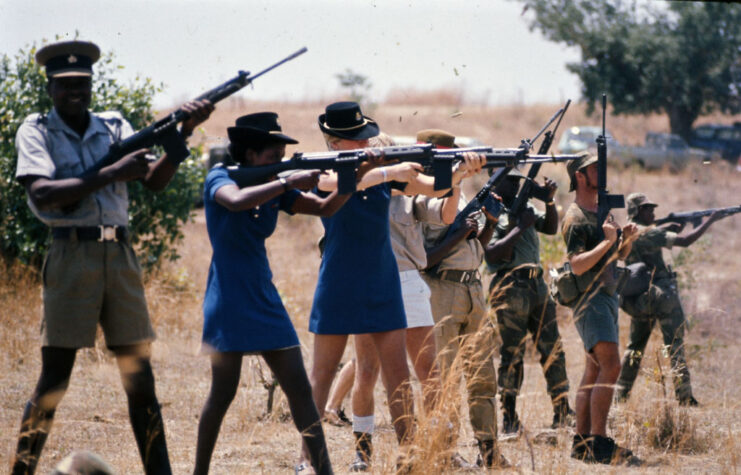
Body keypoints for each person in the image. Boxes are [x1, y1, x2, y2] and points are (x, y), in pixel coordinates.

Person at [11, 40, 214, 475]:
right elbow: (42, 193)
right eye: (65, 85)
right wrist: (110, 173)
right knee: (55, 380)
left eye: (82, 84)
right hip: (71, 254)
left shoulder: (114, 125)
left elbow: (155, 181)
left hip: (119, 255)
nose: (75, 92)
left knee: (141, 382)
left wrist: (183, 135)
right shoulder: (36, 130)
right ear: (49, 88)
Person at [299, 102, 465, 473]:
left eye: (364, 139)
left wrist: (458, 173)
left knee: (398, 377)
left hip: (382, 278)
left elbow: (433, 189)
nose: (364, 144)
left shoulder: (382, 174)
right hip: (339, 278)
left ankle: (408, 458)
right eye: (355, 140)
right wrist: (384, 169)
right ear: (334, 143)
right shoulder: (323, 169)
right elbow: (333, 185)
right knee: (322, 374)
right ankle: (306, 460)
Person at [193, 112, 358, 475]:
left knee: (299, 391)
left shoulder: (271, 184)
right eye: (272, 155)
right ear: (249, 155)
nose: (279, 162)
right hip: (229, 297)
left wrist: (352, 175)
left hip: (263, 296)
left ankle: (325, 471)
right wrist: (285, 182)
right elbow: (235, 201)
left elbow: (322, 207)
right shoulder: (220, 178)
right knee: (222, 394)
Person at [418, 129, 507, 468]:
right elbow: (427, 257)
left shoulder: (457, 191)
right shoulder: (422, 198)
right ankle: (445, 452)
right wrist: (459, 233)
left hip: (472, 289)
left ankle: (489, 451)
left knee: (483, 377)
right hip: (441, 291)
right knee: (445, 377)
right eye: (447, 154)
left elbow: (477, 249)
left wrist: (488, 225)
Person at [561, 155, 638, 465]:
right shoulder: (576, 217)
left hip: (605, 294)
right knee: (611, 366)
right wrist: (607, 243)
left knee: (594, 368)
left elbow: (617, 255)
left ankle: (581, 442)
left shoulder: (599, 211)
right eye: (595, 168)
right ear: (580, 176)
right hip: (589, 298)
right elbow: (577, 265)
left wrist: (625, 240)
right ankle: (600, 441)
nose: (602, 173)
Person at [484, 169, 573, 434]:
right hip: (510, 286)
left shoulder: (524, 207)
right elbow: (491, 254)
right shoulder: (489, 211)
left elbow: (551, 227)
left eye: (517, 181)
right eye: (509, 181)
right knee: (512, 354)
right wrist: (520, 226)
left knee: (552, 349)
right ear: (495, 181)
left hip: (537, 285)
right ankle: (509, 416)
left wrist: (547, 200)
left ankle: (562, 409)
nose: (514, 186)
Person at [616, 193, 722, 406]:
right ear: (637, 211)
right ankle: (684, 397)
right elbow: (685, 241)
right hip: (662, 298)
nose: (653, 213)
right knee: (674, 346)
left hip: (641, 299)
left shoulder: (630, 232)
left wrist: (666, 229)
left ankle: (620, 395)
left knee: (634, 348)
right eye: (648, 209)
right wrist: (711, 220)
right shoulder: (648, 232)